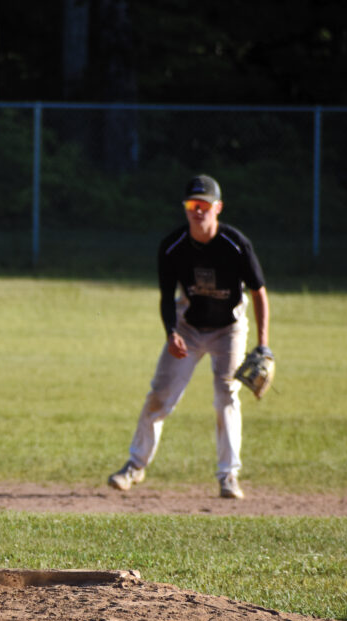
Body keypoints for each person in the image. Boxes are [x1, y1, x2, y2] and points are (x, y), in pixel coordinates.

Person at [108, 174, 270, 500]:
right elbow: (167, 297)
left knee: (226, 396)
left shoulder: (236, 244)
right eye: (193, 204)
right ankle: (135, 466)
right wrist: (171, 333)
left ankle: (228, 476)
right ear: (185, 208)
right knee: (159, 395)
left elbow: (259, 293)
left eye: (204, 205)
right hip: (188, 327)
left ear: (218, 208)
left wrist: (263, 344)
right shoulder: (173, 246)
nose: (198, 211)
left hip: (229, 329)